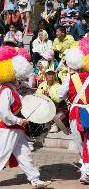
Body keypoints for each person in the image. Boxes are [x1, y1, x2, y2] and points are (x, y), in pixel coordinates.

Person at [0, 46, 51, 188]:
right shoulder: (6, 90)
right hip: (8, 128)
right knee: (2, 153)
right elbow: (4, 112)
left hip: (16, 128)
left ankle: (35, 179)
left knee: (25, 154)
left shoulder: (13, 90)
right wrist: (17, 120)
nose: (20, 78)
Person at [57, 37, 89, 184]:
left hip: (76, 114)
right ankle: (85, 168)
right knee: (86, 143)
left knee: (81, 143)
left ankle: (86, 171)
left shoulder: (70, 79)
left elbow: (59, 95)